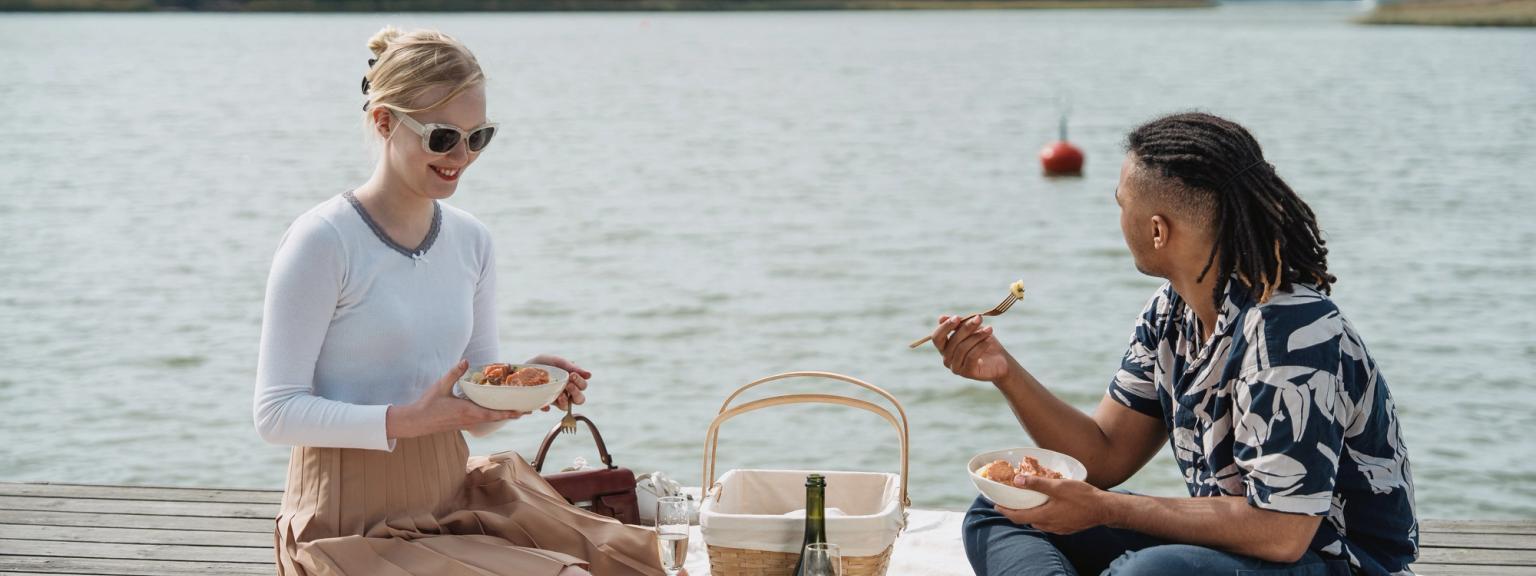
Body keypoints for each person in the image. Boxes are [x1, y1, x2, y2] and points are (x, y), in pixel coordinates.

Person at [253, 27, 663, 576]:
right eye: (443, 137)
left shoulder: (472, 240)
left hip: (454, 500)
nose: (462, 157)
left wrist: (526, 384)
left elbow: (476, 412)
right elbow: (275, 414)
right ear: (384, 122)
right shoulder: (322, 240)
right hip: (347, 524)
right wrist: (409, 420)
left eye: (479, 137)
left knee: (642, 558)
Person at [933, 112, 1417, 576]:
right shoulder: (1171, 312)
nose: (1119, 218)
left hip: (1333, 559)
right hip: (1238, 543)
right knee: (1006, 508)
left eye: (1121, 205)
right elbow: (1103, 457)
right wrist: (1006, 372)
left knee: (1147, 571)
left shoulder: (1290, 332)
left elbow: (1282, 532)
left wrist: (1106, 510)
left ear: (1158, 230)